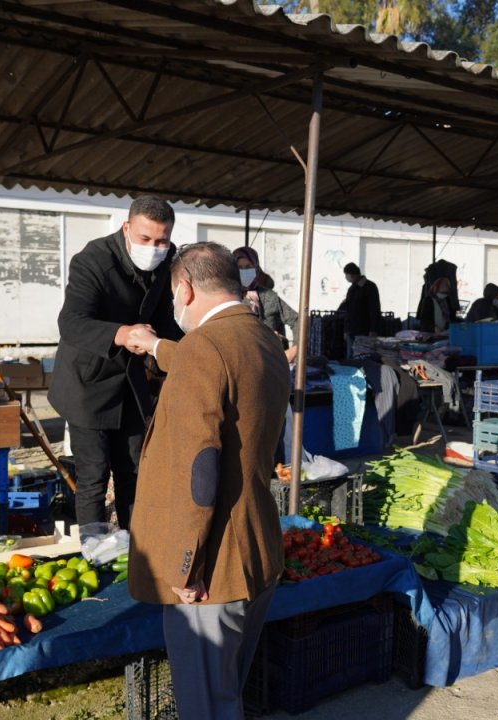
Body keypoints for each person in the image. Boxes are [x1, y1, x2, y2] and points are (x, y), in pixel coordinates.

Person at [124, 242, 290, 720]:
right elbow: (213, 367)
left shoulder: (206, 346)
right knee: (225, 694)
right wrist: (156, 347)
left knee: (206, 708)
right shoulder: (261, 339)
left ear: (185, 287)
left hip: (212, 567)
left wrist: (185, 564)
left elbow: (200, 469)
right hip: (255, 548)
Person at [48, 196, 182, 528]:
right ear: (127, 228)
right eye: (145, 239)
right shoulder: (92, 260)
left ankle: (136, 547)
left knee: (133, 468)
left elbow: (167, 318)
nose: (154, 247)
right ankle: (95, 550)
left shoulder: (168, 261)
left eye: (162, 240)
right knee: (93, 474)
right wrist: (122, 334)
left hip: (134, 382)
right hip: (88, 382)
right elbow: (72, 322)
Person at [233, 246, 300, 363]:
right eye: (240, 268)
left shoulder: (269, 296)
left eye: (248, 267)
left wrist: (294, 350)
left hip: (272, 363)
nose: (244, 271)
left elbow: (298, 320)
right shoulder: (229, 297)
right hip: (239, 363)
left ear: (256, 268)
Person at [341, 262, 381, 350]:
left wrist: (373, 329)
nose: (346, 277)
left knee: (362, 355)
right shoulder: (352, 288)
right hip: (351, 330)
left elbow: (374, 309)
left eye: (346, 274)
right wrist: (346, 330)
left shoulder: (370, 287)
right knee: (351, 356)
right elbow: (348, 310)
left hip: (364, 330)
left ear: (352, 275)